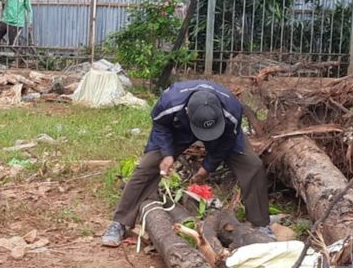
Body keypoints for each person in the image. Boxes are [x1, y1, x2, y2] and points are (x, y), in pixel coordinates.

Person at [101, 80, 271, 247]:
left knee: (252, 166)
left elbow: (228, 141)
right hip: (178, 130)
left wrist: (207, 167)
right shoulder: (170, 102)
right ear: (188, 111)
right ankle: (120, 223)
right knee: (146, 167)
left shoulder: (231, 109)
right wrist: (167, 155)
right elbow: (160, 127)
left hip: (220, 134)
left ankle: (260, 224)